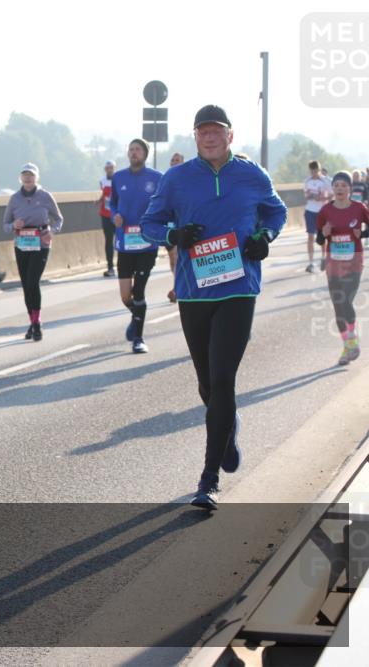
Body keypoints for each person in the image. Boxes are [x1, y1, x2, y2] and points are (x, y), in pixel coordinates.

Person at [140, 104, 287, 511]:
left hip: (239, 289)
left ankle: (208, 481)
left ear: (230, 135)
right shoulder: (177, 179)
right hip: (193, 292)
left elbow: (276, 212)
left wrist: (265, 236)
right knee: (207, 385)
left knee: (223, 380)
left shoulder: (251, 174)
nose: (209, 138)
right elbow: (149, 225)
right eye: (202, 132)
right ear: (195, 138)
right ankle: (229, 426)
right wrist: (174, 234)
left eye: (216, 131)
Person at [111, 139, 163, 354]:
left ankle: (139, 338)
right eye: (131, 149)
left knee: (139, 291)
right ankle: (137, 315)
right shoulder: (118, 177)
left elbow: (163, 204)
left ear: (145, 154)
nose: (134, 153)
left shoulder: (157, 178)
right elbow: (112, 203)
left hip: (146, 243)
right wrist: (115, 215)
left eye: (138, 149)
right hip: (124, 243)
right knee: (126, 296)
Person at [3, 163, 64, 341]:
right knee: (25, 285)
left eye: (31, 175)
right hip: (22, 243)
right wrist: (14, 225)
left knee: (33, 281)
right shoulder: (14, 199)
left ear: (36, 178)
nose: (28, 178)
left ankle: (37, 324)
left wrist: (52, 232)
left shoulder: (45, 196)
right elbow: (5, 225)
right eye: (25, 175)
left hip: (41, 242)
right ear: (20, 178)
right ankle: (32, 322)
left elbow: (59, 219)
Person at [315, 171, 369, 365]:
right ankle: (348, 347)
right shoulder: (325, 211)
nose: (339, 188)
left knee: (346, 300)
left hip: (354, 261)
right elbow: (319, 239)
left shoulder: (359, 208)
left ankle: (352, 339)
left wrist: (361, 233)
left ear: (350, 188)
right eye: (336, 185)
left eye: (343, 185)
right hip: (334, 262)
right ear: (333, 188)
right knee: (338, 307)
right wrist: (324, 232)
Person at [304, 160, 333, 272]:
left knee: (322, 237)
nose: (313, 173)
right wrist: (311, 197)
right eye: (312, 171)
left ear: (319, 170)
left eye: (315, 171)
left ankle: (323, 258)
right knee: (310, 236)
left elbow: (331, 195)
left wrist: (322, 199)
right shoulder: (307, 181)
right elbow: (306, 195)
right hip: (310, 210)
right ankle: (311, 263)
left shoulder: (325, 181)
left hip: (322, 211)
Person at [165, 153, 185, 303]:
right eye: (173, 160)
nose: (174, 162)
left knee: (176, 256)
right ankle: (178, 283)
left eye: (177, 160)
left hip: (181, 223)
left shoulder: (187, 180)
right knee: (172, 258)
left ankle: (177, 288)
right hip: (168, 224)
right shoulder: (165, 179)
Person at [98, 160, 116, 277]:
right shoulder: (102, 181)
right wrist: (99, 201)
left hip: (118, 214)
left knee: (121, 240)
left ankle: (126, 266)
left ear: (114, 168)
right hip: (105, 214)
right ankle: (110, 267)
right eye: (107, 168)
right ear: (105, 169)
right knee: (108, 241)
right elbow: (104, 194)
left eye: (111, 168)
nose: (109, 170)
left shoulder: (119, 179)